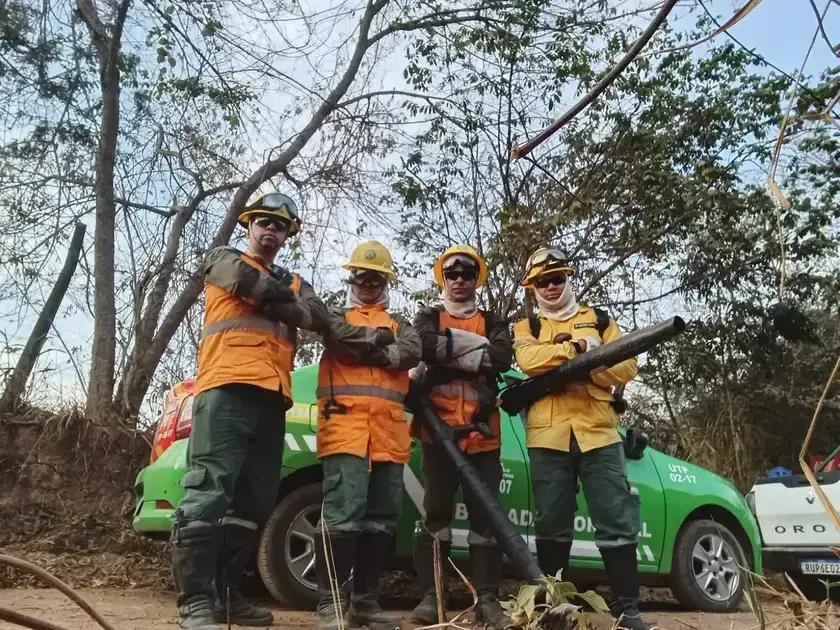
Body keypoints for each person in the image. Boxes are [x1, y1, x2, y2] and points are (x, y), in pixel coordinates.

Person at [170, 192, 327, 630]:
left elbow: (316, 317)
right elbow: (248, 285)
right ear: (249, 225)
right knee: (208, 488)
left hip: (272, 397)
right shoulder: (223, 259)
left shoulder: (295, 282)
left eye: (279, 226)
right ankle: (195, 602)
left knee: (254, 500)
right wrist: (287, 304)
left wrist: (289, 305)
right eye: (263, 222)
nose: (270, 230)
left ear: (287, 235)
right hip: (226, 388)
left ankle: (227, 596)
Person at [512, 247, 651, 630]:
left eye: (557, 278)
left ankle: (628, 610)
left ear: (568, 279)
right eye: (543, 281)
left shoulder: (600, 318)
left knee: (616, 518)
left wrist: (590, 367)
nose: (551, 286)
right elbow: (529, 361)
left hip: (600, 433)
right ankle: (554, 610)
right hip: (547, 436)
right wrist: (578, 350)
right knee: (552, 522)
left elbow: (627, 365)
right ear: (532, 288)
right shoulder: (528, 326)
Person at [313, 241, 422, 630]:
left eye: (376, 279)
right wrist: (379, 344)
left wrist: (372, 350)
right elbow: (339, 338)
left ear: (386, 282)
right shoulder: (334, 316)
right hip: (346, 431)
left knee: (381, 522)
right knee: (342, 518)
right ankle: (331, 604)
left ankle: (365, 601)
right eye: (362, 277)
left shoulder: (402, 325)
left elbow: (411, 351)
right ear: (352, 279)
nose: (369, 285)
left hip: (389, 435)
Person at [409, 245, 512, 629]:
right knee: (435, 515)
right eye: (451, 275)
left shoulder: (495, 320)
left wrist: (447, 350)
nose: (458, 281)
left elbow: (501, 358)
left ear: (475, 280)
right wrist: (475, 350)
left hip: (483, 436)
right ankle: (431, 596)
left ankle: (486, 600)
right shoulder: (428, 315)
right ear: (443, 279)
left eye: (466, 275)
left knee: (487, 519)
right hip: (437, 434)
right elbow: (422, 346)